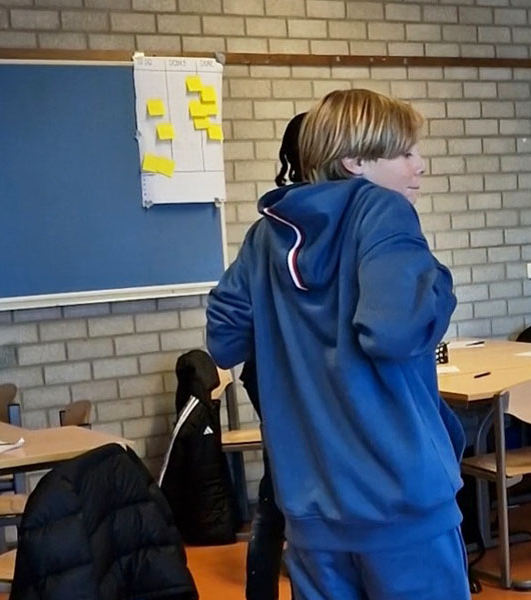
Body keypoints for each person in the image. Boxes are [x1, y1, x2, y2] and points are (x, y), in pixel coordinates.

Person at [206, 89, 468, 600]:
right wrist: (436, 279)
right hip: (398, 501)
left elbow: (223, 340)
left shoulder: (266, 235)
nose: (421, 165)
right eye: (405, 153)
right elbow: (393, 333)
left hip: (310, 507)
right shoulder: (383, 212)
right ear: (355, 161)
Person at [239, 111, 305, 600]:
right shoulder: (283, 228)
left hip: (270, 371)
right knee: (281, 490)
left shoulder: (275, 223)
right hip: (281, 374)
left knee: (278, 489)